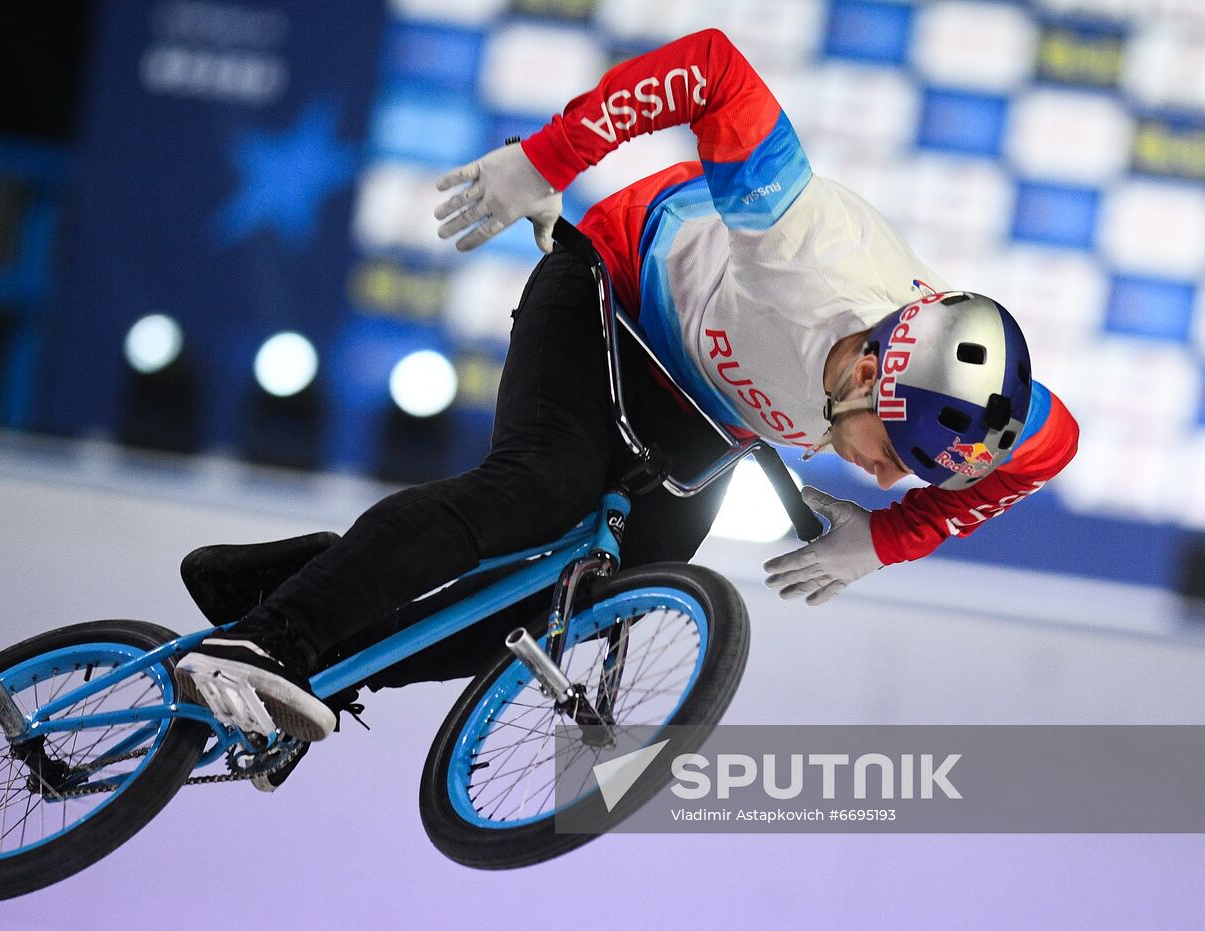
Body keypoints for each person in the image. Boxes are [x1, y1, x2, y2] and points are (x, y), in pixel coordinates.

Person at [175, 28, 1079, 743]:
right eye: (893, 458)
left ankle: (312, 644)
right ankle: (263, 641)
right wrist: (545, 161)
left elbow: (1053, 449)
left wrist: (892, 538)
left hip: (707, 413)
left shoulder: (981, 406)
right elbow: (711, 70)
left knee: (572, 603)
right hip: (610, 294)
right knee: (536, 492)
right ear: (871, 378)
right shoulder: (798, 244)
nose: (885, 478)